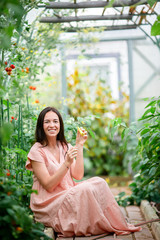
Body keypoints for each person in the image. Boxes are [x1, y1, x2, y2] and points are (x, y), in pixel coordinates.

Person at [25, 107, 141, 238]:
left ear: (60, 125)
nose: (52, 125)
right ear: (41, 125)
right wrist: (66, 164)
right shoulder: (37, 150)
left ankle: (113, 222)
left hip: (68, 194)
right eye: (47, 122)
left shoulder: (64, 146)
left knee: (99, 182)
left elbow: (78, 175)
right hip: (49, 204)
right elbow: (48, 185)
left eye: (55, 121)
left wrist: (79, 145)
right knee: (85, 189)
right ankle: (102, 224)